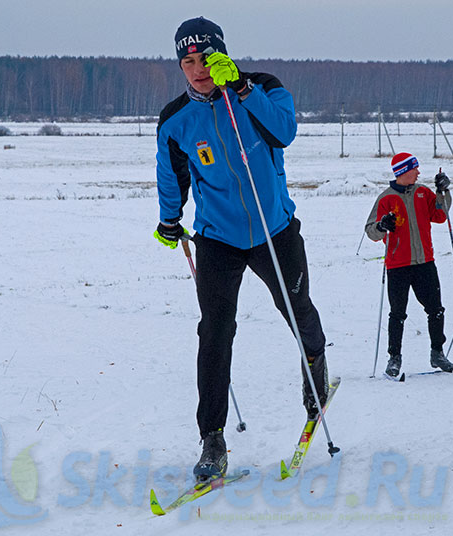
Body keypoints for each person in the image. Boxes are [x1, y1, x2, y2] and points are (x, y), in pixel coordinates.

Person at [154, 16, 329, 483]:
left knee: (298, 310)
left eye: (205, 58)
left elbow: (285, 132)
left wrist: (245, 90)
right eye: (187, 62)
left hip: (275, 231)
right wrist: (169, 219)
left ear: (222, 54)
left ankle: (316, 368)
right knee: (214, 332)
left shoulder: (264, 88)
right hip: (218, 238)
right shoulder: (175, 120)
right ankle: (212, 437)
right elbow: (171, 174)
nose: (197, 69)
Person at [365, 153, 453, 377]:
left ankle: (438, 353)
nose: (418, 172)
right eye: (415, 169)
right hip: (397, 265)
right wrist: (381, 225)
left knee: (436, 310)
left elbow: (440, 215)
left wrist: (443, 191)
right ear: (403, 172)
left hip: (425, 262)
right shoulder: (385, 198)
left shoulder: (422, 192)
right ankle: (394, 358)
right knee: (397, 314)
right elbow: (370, 231)